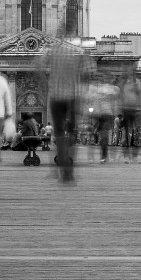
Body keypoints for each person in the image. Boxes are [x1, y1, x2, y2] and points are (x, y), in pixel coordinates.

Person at [38, 38, 93, 182]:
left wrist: (46, 83)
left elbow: (38, 66)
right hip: (71, 97)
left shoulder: (52, 51)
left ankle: (59, 168)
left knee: (59, 134)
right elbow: (88, 72)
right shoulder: (78, 52)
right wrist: (81, 91)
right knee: (72, 133)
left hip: (56, 96)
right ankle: (69, 170)